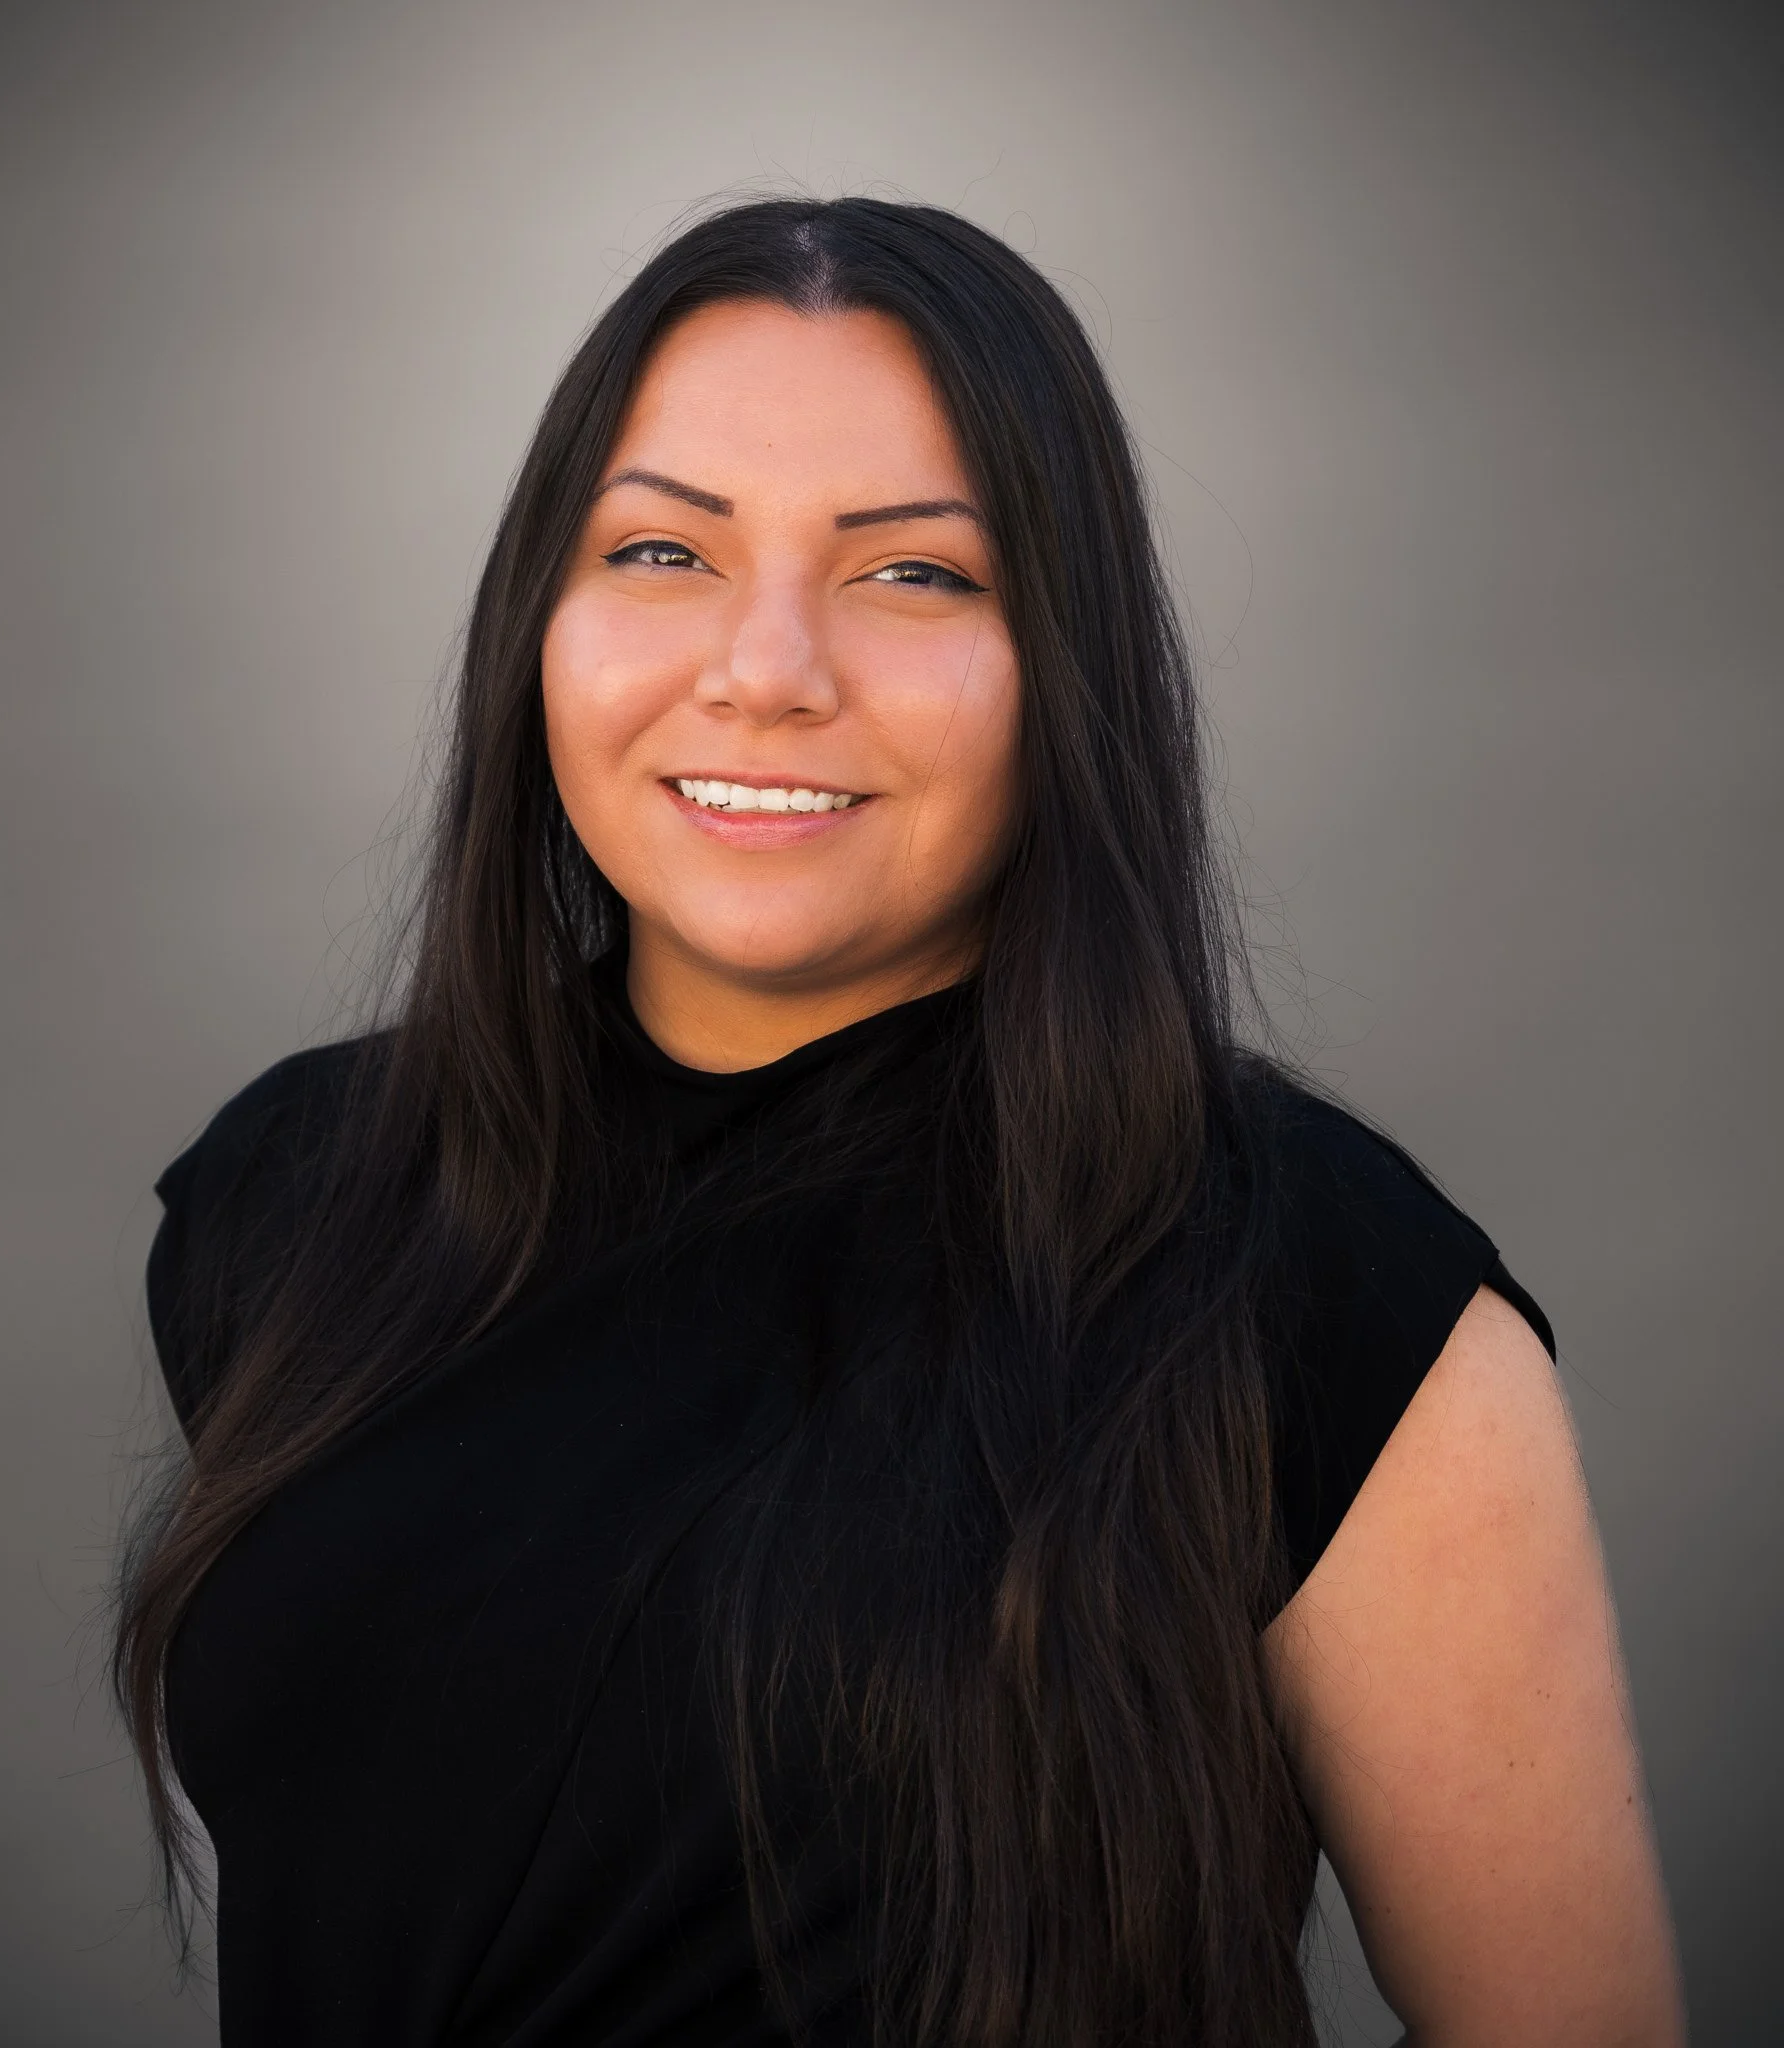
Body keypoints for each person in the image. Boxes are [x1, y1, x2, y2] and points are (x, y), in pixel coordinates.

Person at [115, 198, 1682, 2047]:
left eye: (915, 574)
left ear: (1065, 666)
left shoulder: (1325, 1293)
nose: (767, 669)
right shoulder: (295, 1202)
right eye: (662, 551)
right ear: (538, 619)